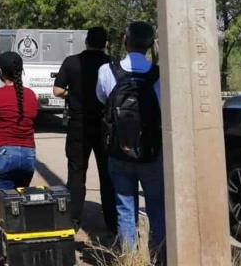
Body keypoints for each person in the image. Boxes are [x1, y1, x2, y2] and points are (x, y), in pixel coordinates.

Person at [96, 21, 164, 253]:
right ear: (149, 45)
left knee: (125, 209)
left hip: (119, 151)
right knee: (156, 208)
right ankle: (157, 256)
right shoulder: (158, 75)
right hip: (151, 153)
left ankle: (130, 258)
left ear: (125, 40)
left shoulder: (107, 71)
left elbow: (102, 99)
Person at [53, 26, 117, 234]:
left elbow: (57, 90)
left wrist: (72, 95)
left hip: (78, 125)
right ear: (106, 43)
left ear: (86, 41)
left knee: (76, 173)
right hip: (105, 127)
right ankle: (112, 223)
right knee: (107, 175)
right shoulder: (111, 65)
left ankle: (73, 220)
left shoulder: (71, 62)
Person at [0, 51, 39, 205]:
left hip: (0, 154)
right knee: (19, 204)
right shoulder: (31, 95)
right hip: (28, 156)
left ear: (0, 72)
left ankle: (12, 227)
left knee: (7, 206)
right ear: (21, 71)